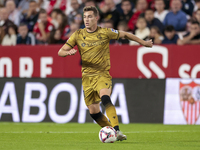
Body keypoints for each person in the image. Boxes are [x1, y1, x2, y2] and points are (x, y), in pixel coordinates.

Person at [58, 6, 153, 141]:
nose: (87, 19)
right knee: (94, 112)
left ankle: (117, 131)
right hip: (86, 77)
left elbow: (125, 34)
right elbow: (60, 52)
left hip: (102, 74)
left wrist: (143, 43)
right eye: (85, 17)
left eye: (90, 16)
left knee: (105, 98)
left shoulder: (105, 32)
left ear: (96, 18)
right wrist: (68, 53)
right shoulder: (78, 35)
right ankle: (113, 133)